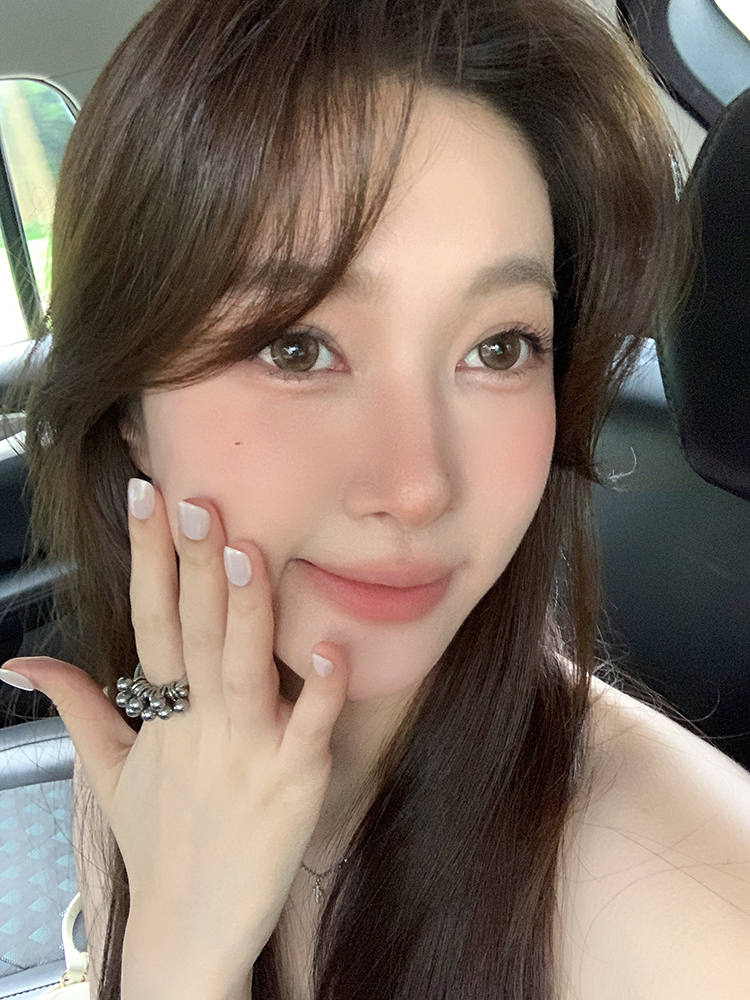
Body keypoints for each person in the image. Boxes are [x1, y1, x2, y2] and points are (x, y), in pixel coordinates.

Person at [1, 0, 749, 997]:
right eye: (296, 347)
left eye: (499, 348)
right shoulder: (159, 734)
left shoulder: (700, 925)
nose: (417, 486)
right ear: (130, 408)